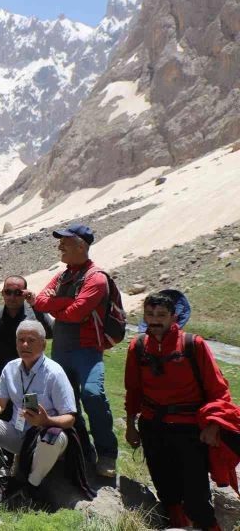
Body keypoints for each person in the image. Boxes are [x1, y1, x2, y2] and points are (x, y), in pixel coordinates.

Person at [125, 292, 231, 531]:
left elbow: (218, 389)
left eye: (161, 315)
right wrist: (131, 425)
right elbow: (133, 391)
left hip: (189, 429)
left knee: (196, 496)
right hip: (152, 427)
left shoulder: (194, 345)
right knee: (167, 491)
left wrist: (214, 425)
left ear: (174, 317)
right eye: (150, 314)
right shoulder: (138, 346)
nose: (155, 320)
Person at [27, 223, 119, 477]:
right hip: (62, 349)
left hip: (87, 350)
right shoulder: (62, 275)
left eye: (65, 242)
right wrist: (67, 302)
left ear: (80, 246)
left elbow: (76, 314)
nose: (60, 246)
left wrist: (59, 306)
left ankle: (107, 453)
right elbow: (40, 302)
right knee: (66, 403)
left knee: (93, 394)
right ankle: (83, 451)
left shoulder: (97, 278)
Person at [0, 320, 77, 509]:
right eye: (21, 340)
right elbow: (0, 403)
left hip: (44, 440)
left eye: (31, 340)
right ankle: (2, 481)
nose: (25, 345)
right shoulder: (10, 368)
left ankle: (30, 487)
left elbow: (70, 418)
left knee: (53, 436)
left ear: (43, 345)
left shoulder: (54, 373)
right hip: (18, 433)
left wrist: (46, 420)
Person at [0, 276, 53, 414]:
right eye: (8, 292)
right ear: (2, 293)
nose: (12, 297)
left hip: (29, 383)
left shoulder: (34, 315)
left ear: (25, 294)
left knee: (31, 418)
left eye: (17, 293)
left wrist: (35, 305)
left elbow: (50, 332)